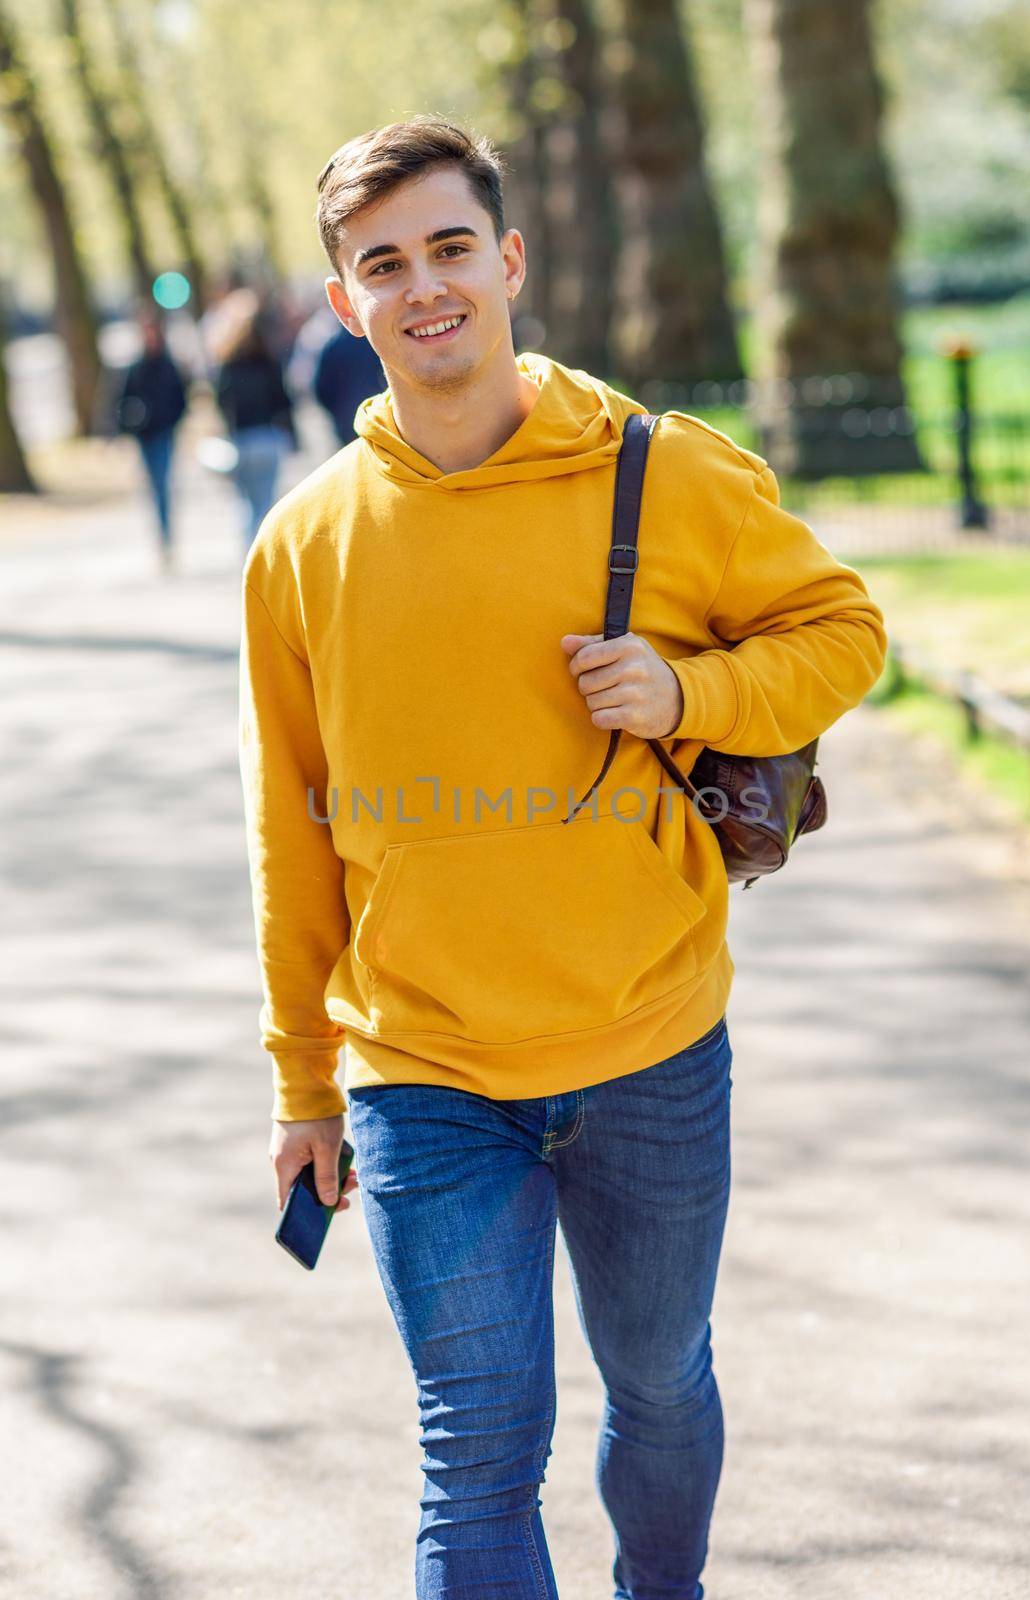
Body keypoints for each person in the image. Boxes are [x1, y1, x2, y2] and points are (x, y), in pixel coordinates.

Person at [237, 117, 888, 1599]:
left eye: (451, 249)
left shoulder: (661, 474)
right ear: (345, 302)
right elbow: (287, 831)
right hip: (425, 1068)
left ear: (509, 260)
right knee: (475, 1451)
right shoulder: (303, 545)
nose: (425, 290)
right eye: (383, 265)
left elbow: (843, 628)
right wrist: (300, 1085)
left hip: (650, 1039)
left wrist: (691, 695)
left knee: (660, 1385)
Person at [210, 290, 296, 549]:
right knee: (266, 503)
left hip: (241, 439)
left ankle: (251, 556)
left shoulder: (226, 365)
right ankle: (264, 558)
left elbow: (220, 403)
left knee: (245, 505)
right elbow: (283, 400)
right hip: (267, 437)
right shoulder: (268, 359)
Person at [115, 310, 188, 572]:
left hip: (164, 434)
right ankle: (162, 539)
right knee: (154, 487)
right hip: (144, 436)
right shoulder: (135, 367)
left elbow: (182, 399)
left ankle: (167, 537)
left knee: (163, 485)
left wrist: (170, 419)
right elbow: (121, 401)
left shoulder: (168, 365)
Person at [311, 316, 387, 447]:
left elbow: (321, 388)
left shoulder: (332, 344)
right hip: (378, 416)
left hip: (346, 420)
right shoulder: (374, 341)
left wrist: (336, 411)